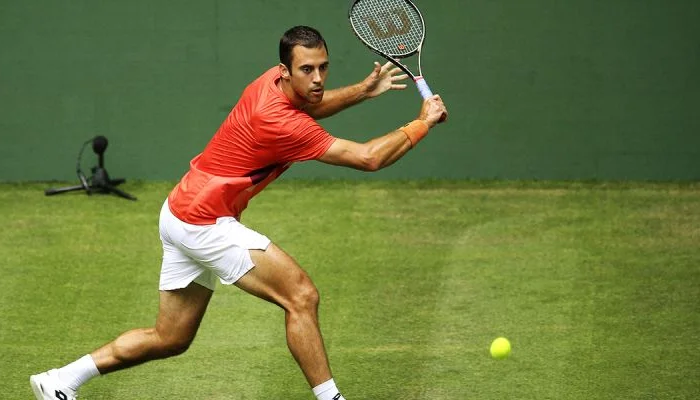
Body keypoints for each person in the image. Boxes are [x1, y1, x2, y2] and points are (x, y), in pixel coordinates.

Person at [30, 25, 447, 400]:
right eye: (306, 70)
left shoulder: (271, 83)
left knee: (170, 337)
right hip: (204, 222)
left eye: (323, 67)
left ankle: (61, 380)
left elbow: (311, 103)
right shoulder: (280, 122)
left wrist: (361, 90)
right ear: (285, 71)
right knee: (301, 296)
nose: (318, 78)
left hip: (178, 212)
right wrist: (422, 123)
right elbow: (368, 158)